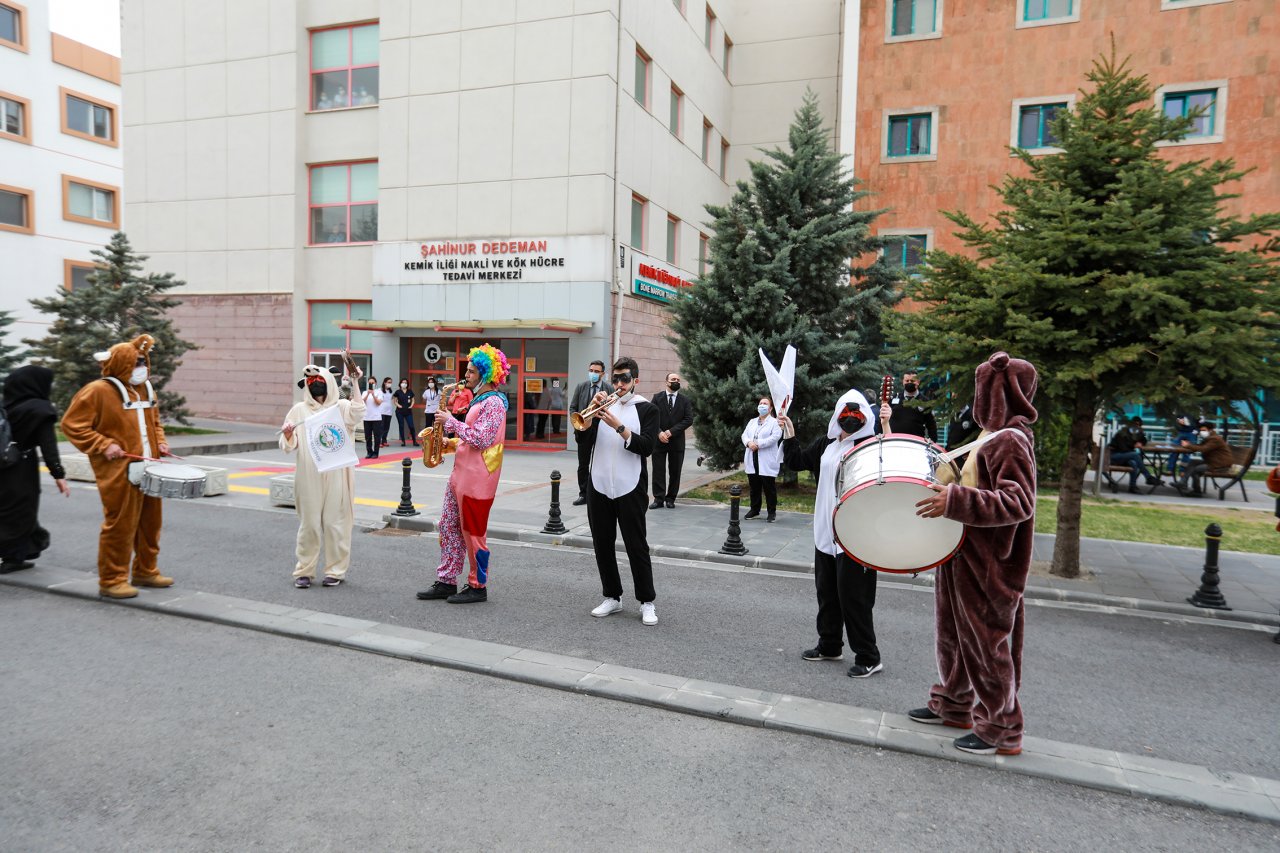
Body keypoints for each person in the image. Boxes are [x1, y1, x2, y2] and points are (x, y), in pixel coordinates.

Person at [909, 351, 1038, 756]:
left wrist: (956, 501)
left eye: (983, 388)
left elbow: (1018, 503)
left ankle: (1002, 727)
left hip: (991, 563)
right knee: (954, 634)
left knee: (988, 644)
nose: (978, 397)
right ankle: (954, 701)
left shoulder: (1012, 441)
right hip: (964, 551)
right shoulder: (988, 436)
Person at [61, 334, 174, 599]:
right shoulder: (97, 390)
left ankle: (146, 570)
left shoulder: (146, 389)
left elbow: (155, 423)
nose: (141, 367)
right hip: (118, 470)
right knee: (120, 525)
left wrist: (161, 443)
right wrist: (103, 444)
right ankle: (112, 580)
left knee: (151, 523)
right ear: (121, 363)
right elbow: (72, 425)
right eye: (135, 362)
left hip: (150, 467)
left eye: (143, 362)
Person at [779, 390, 881, 677]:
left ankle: (869, 655)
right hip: (825, 530)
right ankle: (830, 644)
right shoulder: (827, 443)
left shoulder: (870, 446)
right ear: (837, 415)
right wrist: (789, 433)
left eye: (856, 416)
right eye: (845, 415)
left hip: (856, 534)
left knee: (855, 596)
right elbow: (797, 461)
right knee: (827, 592)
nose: (850, 421)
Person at [416, 344, 510, 604]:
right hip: (461, 474)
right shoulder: (479, 400)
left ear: (485, 373)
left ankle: (478, 586)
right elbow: (472, 440)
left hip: (478, 480)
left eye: (470, 371)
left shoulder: (494, 403)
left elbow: (482, 438)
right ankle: (446, 580)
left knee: (474, 533)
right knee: (448, 527)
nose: (465, 375)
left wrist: (451, 422)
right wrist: (450, 443)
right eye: (466, 370)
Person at [579, 356, 661, 626]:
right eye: (615, 379)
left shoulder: (647, 409)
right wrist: (591, 413)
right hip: (599, 484)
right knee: (602, 544)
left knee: (636, 546)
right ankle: (612, 596)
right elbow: (583, 440)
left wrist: (619, 427)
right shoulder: (602, 406)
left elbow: (647, 446)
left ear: (635, 381)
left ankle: (647, 602)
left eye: (624, 378)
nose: (619, 384)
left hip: (630, 485)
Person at [280, 365, 366, 588]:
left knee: (335, 523)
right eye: (310, 381)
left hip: (337, 474)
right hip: (309, 476)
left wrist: (356, 381)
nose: (315, 384)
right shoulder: (299, 410)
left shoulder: (341, 406)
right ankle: (304, 571)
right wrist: (288, 434)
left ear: (328, 380)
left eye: (319, 379)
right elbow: (288, 444)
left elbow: (358, 410)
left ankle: (335, 571)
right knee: (308, 524)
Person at [0, 366, 70, 573]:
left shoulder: (5, 405)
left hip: (2, 464)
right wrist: (59, 474)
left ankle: (21, 553)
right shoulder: (40, 409)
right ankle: (13, 557)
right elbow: (49, 447)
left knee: (6, 509)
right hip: (21, 468)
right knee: (21, 510)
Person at [650, 371, 693, 509]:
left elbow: (688, 420)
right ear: (666, 382)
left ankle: (671, 498)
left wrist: (670, 432)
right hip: (659, 441)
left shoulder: (685, 400)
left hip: (676, 442)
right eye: (673, 379)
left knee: (675, 471)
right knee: (658, 470)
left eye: (678, 380)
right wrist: (659, 432)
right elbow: (651, 417)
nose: (676, 381)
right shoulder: (657, 398)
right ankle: (658, 498)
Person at [569, 359, 606, 506]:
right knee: (583, 464)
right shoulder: (581, 386)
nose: (593, 373)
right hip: (584, 431)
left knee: (601, 463)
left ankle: (599, 493)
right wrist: (578, 423)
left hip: (602, 431)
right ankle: (583, 494)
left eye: (596, 371)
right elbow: (573, 408)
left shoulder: (608, 388)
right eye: (591, 370)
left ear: (603, 374)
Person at [741, 397, 782, 522]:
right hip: (752, 456)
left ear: (770, 408)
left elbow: (775, 437)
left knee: (769, 487)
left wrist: (758, 444)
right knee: (754, 486)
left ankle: (771, 512)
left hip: (766, 458)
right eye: (760, 403)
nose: (762, 405)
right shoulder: (752, 421)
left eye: (765, 404)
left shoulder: (775, 422)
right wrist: (749, 443)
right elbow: (744, 435)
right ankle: (755, 510)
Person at [1176, 421, 1234, 498]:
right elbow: (1199, 447)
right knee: (1193, 462)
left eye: (1204, 430)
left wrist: (1188, 446)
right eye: (1201, 430)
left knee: (1196, 469)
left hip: (1220, 465)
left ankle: (1197, 491)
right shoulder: (1209, 438)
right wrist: (1188, 446)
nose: (1202, 432)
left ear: (1210, 430)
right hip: (1213, 462)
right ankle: (1183, 482)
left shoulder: (1215, 439)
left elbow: (1203, 449)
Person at [878, 371, 938, 442]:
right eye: (907, 381)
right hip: (894, 441)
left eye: (912, 381)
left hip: (915, 443)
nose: (909, 382)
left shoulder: (925, 402)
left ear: (918, 382)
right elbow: (883, 418)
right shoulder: (893, 398)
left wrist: (933, 441)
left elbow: (931, 425)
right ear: (903, 382)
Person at [1107, 416, 1157, 493]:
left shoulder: (1136, 434)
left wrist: (1140, 443)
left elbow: (1144, 439)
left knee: (1133, 463)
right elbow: (1123, 449)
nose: (1137, 427)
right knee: (1135, 455)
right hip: (1114, 456)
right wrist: (1133, 446)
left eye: (1139, 425)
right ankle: (1148, 477)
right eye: (1135, 424)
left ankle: (1132, 487)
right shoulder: (1123, 433)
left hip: (1125, 457)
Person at [361, 377, 383, 458]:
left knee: (377, 436)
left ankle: (376, 452)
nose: (371, 384)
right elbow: (362, 402)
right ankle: (369, 452)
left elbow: (378, 403)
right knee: (368, 436)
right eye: (369, 383)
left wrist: (373, 394)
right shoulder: (364, 392)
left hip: (376, 418)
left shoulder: (379, 392)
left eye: (373, 383)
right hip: (367, 417)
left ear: (375, 383)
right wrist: (368, 393)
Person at [393, 378, 417, 446]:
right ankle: (403, 441)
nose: (404, 384)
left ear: (407, 384)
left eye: (405, 383)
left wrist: (411, 405)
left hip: (408, 411)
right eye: (403, 382)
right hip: (399, 411)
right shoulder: (398, 392)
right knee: (401, 426)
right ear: (400, 384)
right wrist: (398, 405)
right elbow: (394, 401)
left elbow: (413, 400)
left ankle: (414, 441)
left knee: (411, 426)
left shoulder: (410, 391)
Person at [378, 376, 395, 447]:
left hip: (389, 411)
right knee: (381, 427)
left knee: (386, 427)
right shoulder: (380, 390)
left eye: (390, 382)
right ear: (384, 383)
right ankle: (379, 441)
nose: (389, 384)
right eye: (388, 382)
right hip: (382, 411)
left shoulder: (391, 391)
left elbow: (393, 399)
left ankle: (384, 440)